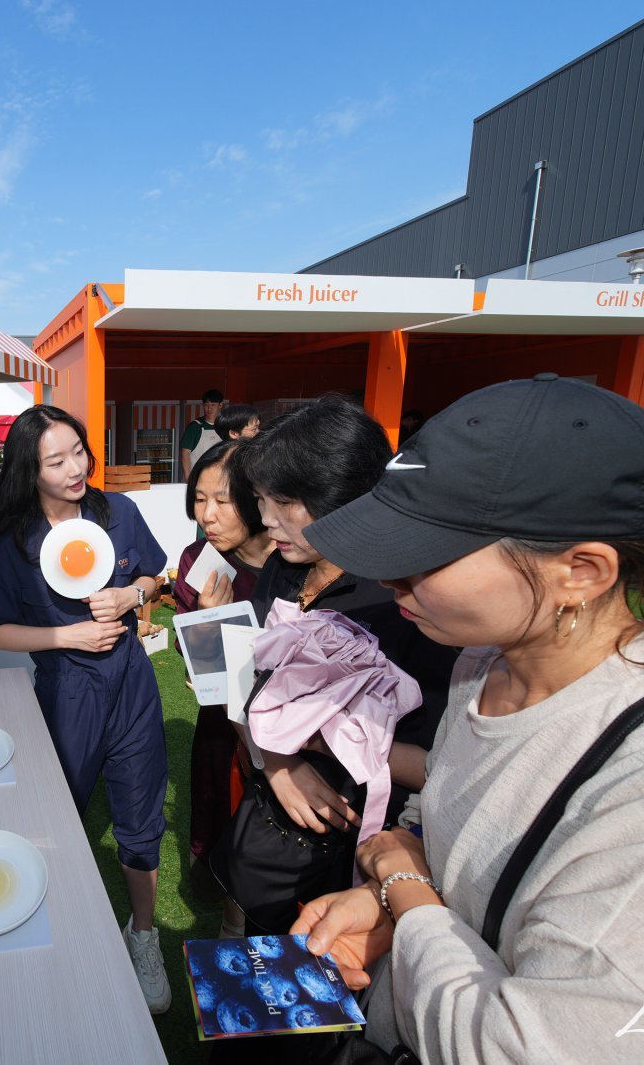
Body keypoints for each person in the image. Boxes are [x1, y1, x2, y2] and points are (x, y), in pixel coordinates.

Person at [296, 373, 644, 1062]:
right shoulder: (484, 665)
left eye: (420, 554)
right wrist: (389, 899)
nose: (388, 577)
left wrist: (405, 888)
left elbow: (517, 1049)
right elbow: (477, 826)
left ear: (581, 571)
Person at [210, 396, 457, 937]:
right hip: (268, 828)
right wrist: (276, 760)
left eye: (283, 502)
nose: (268, 521)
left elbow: (443, 767)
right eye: (259, 499)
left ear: (345, 496)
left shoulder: (408, 602)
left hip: (364, 859)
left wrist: (319, 742)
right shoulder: (283, 565)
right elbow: (249, 686)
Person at [0, 404, 173, 1014]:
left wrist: (134, 593)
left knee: (141, 817)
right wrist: (66, 638)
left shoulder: (120, 512)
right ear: (29, 472)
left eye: (79, 451)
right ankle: (53, 933)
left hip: (132, 683)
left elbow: (158, 576)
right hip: (65, 693)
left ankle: (143, 936)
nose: (75, 468)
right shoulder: (12, 542)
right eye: (55, 461)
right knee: (56, 819)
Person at [172, 441, 273, 933]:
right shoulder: (199, 560)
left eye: (223, 500)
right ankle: (231, 922)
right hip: (228, 728)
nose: (207, 515)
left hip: (298, 733)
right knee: (227, 813)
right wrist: (209, 622)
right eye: (199, 499)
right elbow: (198, 670)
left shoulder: (294, 557)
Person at [180, 389, 224, 478]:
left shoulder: (225, 426)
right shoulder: (195, 427)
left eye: (213, 405)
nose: (209, 408)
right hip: (197, 477)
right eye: (206, 405)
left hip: (219, 478)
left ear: (220, 405)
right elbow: (185, 453)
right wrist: (188, 479)